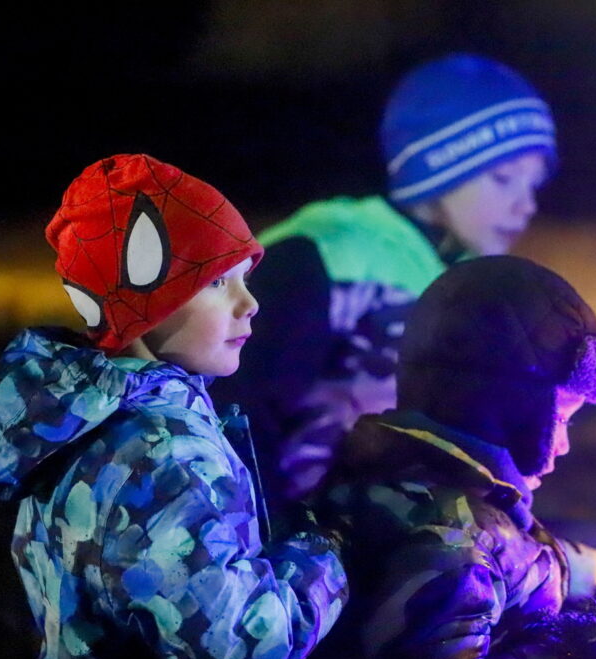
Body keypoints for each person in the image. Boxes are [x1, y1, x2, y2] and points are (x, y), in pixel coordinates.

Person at [0, 154, 348, 659]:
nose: (250, 303)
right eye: (216, 283)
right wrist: (327, 552)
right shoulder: (163, 452)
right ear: (143, 304)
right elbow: (239, 651)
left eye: (245, 278)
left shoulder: (67, 421)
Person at [306, 256, 596, 659]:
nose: (563, 445)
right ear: (510, 412)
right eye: (560, 419)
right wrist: (581, 658)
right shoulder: (449, 545)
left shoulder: (440, 488)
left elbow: (518, 555)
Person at [214, 53, 556, 509]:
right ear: (437, 169)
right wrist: (275, 549)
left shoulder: (461, 279)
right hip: (316, 542)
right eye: (504, 178)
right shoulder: (333, 252)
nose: (525, 205)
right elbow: (241, 407)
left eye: (533, 186)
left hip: (418, 536)